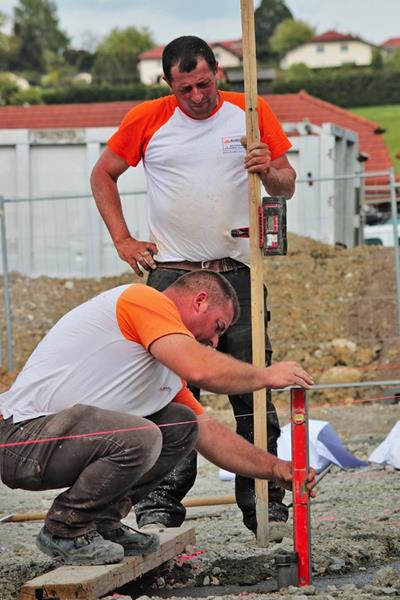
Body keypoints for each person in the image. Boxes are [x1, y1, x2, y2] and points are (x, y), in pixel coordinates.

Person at [90, 35, 297, 536]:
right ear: (169, 85)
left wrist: (267, 166)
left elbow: (286, 183)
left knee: (253, 385)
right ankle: (159, 505)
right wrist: (122, 239)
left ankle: (265, 505)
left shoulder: (248, 111)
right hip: (174, 276)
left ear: (218, 74)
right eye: (185, 89)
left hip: (239, 272)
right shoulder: (149, 118)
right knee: (168, 391)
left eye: (204, 83)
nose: (198, 96)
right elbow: (103, 175)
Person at [0, 271, 315, 566]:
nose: (215, 342)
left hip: (50, 443)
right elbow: (202, 370)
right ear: (200, 300)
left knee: (180, 424)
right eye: (218, 327)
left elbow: (210, 435)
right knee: (142, 435)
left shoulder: (164, 369)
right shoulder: (144, 300)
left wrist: (275, 468)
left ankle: (101, 522)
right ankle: (65, 528)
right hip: (20, 439)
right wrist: (265, 375)